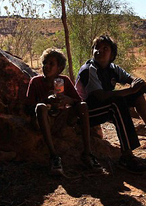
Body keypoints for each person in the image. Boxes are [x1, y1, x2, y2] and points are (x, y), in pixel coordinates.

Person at [76, 35, 146, 174]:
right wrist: (130, 90)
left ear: (112, 54)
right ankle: (126, 156)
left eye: (104, 48)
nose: (99, 51)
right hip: (85, 113)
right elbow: (100, 96)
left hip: (103, 107)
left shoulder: (112, 68)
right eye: (96, 48)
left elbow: (136, 82)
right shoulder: (89, 69)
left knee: (135, 95)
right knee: (117, 103)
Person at [26, 48, 102, 176]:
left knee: (83, 106)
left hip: (63, 117)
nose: (47, 66)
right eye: (45, 63)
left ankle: (87, 154)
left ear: (59, 69)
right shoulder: (36, 81)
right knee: (40, 107)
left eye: (51, 64)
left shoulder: (64, 81)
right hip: (46, 119)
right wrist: (46, 101)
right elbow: (28, 107)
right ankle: (54, 157)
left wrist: (68, 100)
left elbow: (78, 102)